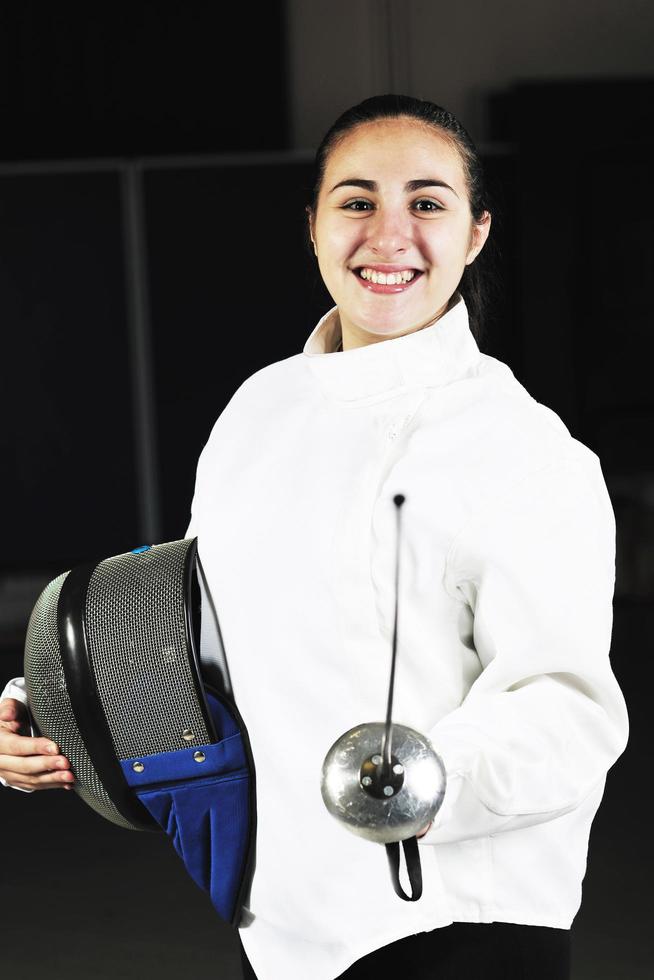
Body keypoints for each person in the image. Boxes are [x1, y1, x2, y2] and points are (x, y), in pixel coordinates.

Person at [0, 94, 629, 980]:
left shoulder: (522, 447)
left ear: (476, 233)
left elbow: (569, 711)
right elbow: (199, 628)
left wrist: (412, 783)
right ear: (314, 225)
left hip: (454, 926)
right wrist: (48, 709)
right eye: (358, 201)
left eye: (428, 202)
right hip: (287, 922)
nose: (390, 234)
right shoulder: (261, 409)